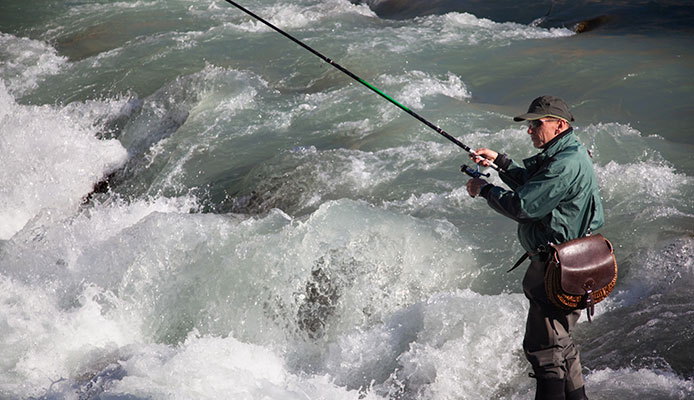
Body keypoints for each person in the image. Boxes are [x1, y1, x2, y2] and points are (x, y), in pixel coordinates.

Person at [466, 95, 604, 400]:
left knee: (546, 352)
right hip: (575, 264)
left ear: (559, 125)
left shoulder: (565, 163)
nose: (530, 130)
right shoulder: (568, 153)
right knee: (562, 345)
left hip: (558, 270)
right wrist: (501, 162)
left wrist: (486, 189)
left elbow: (523, 206)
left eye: (536, 124)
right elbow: (535, 182)